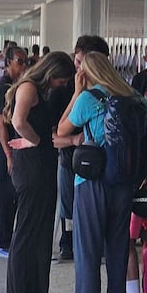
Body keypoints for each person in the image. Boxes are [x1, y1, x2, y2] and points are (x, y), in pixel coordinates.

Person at [57, 51, 147, 293]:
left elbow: (62, 129)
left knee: (88, 253)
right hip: (124, 184)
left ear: (87, 73)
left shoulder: (88, 99)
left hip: (91, 183)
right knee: (117, 251)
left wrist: (76, 92)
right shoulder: (133, 98)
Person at [2, 50, 76, 293]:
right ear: (51, 73)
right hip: (35, 169)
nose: (61, 85)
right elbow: (19, 122)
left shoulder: (32, 88)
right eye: (61, 80)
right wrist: (35, 141)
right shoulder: (30, 88)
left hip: (34, 168)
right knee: (33, 238)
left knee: (28, 237)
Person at [52, 34, 112, 263]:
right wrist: (74, 140)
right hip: (71, 159)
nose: (79, 68)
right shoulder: (64, 88)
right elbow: (55, 135)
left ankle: (96, 244)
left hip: (103, 163)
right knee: (68, 206)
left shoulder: (110, 91)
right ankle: (67, 242)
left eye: (85, 63)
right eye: (77, 61)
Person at [0, 46, 28, 259]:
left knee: (13, 196)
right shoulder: (4, 87)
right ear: (9, 62)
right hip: (4, 150)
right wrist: (8, 155)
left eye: (26, 62)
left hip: (13, 148)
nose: (23, 66)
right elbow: (0, 124)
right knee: (4, 197)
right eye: (19, 62)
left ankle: (8, 239)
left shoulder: (19, 85)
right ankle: (1, 241)